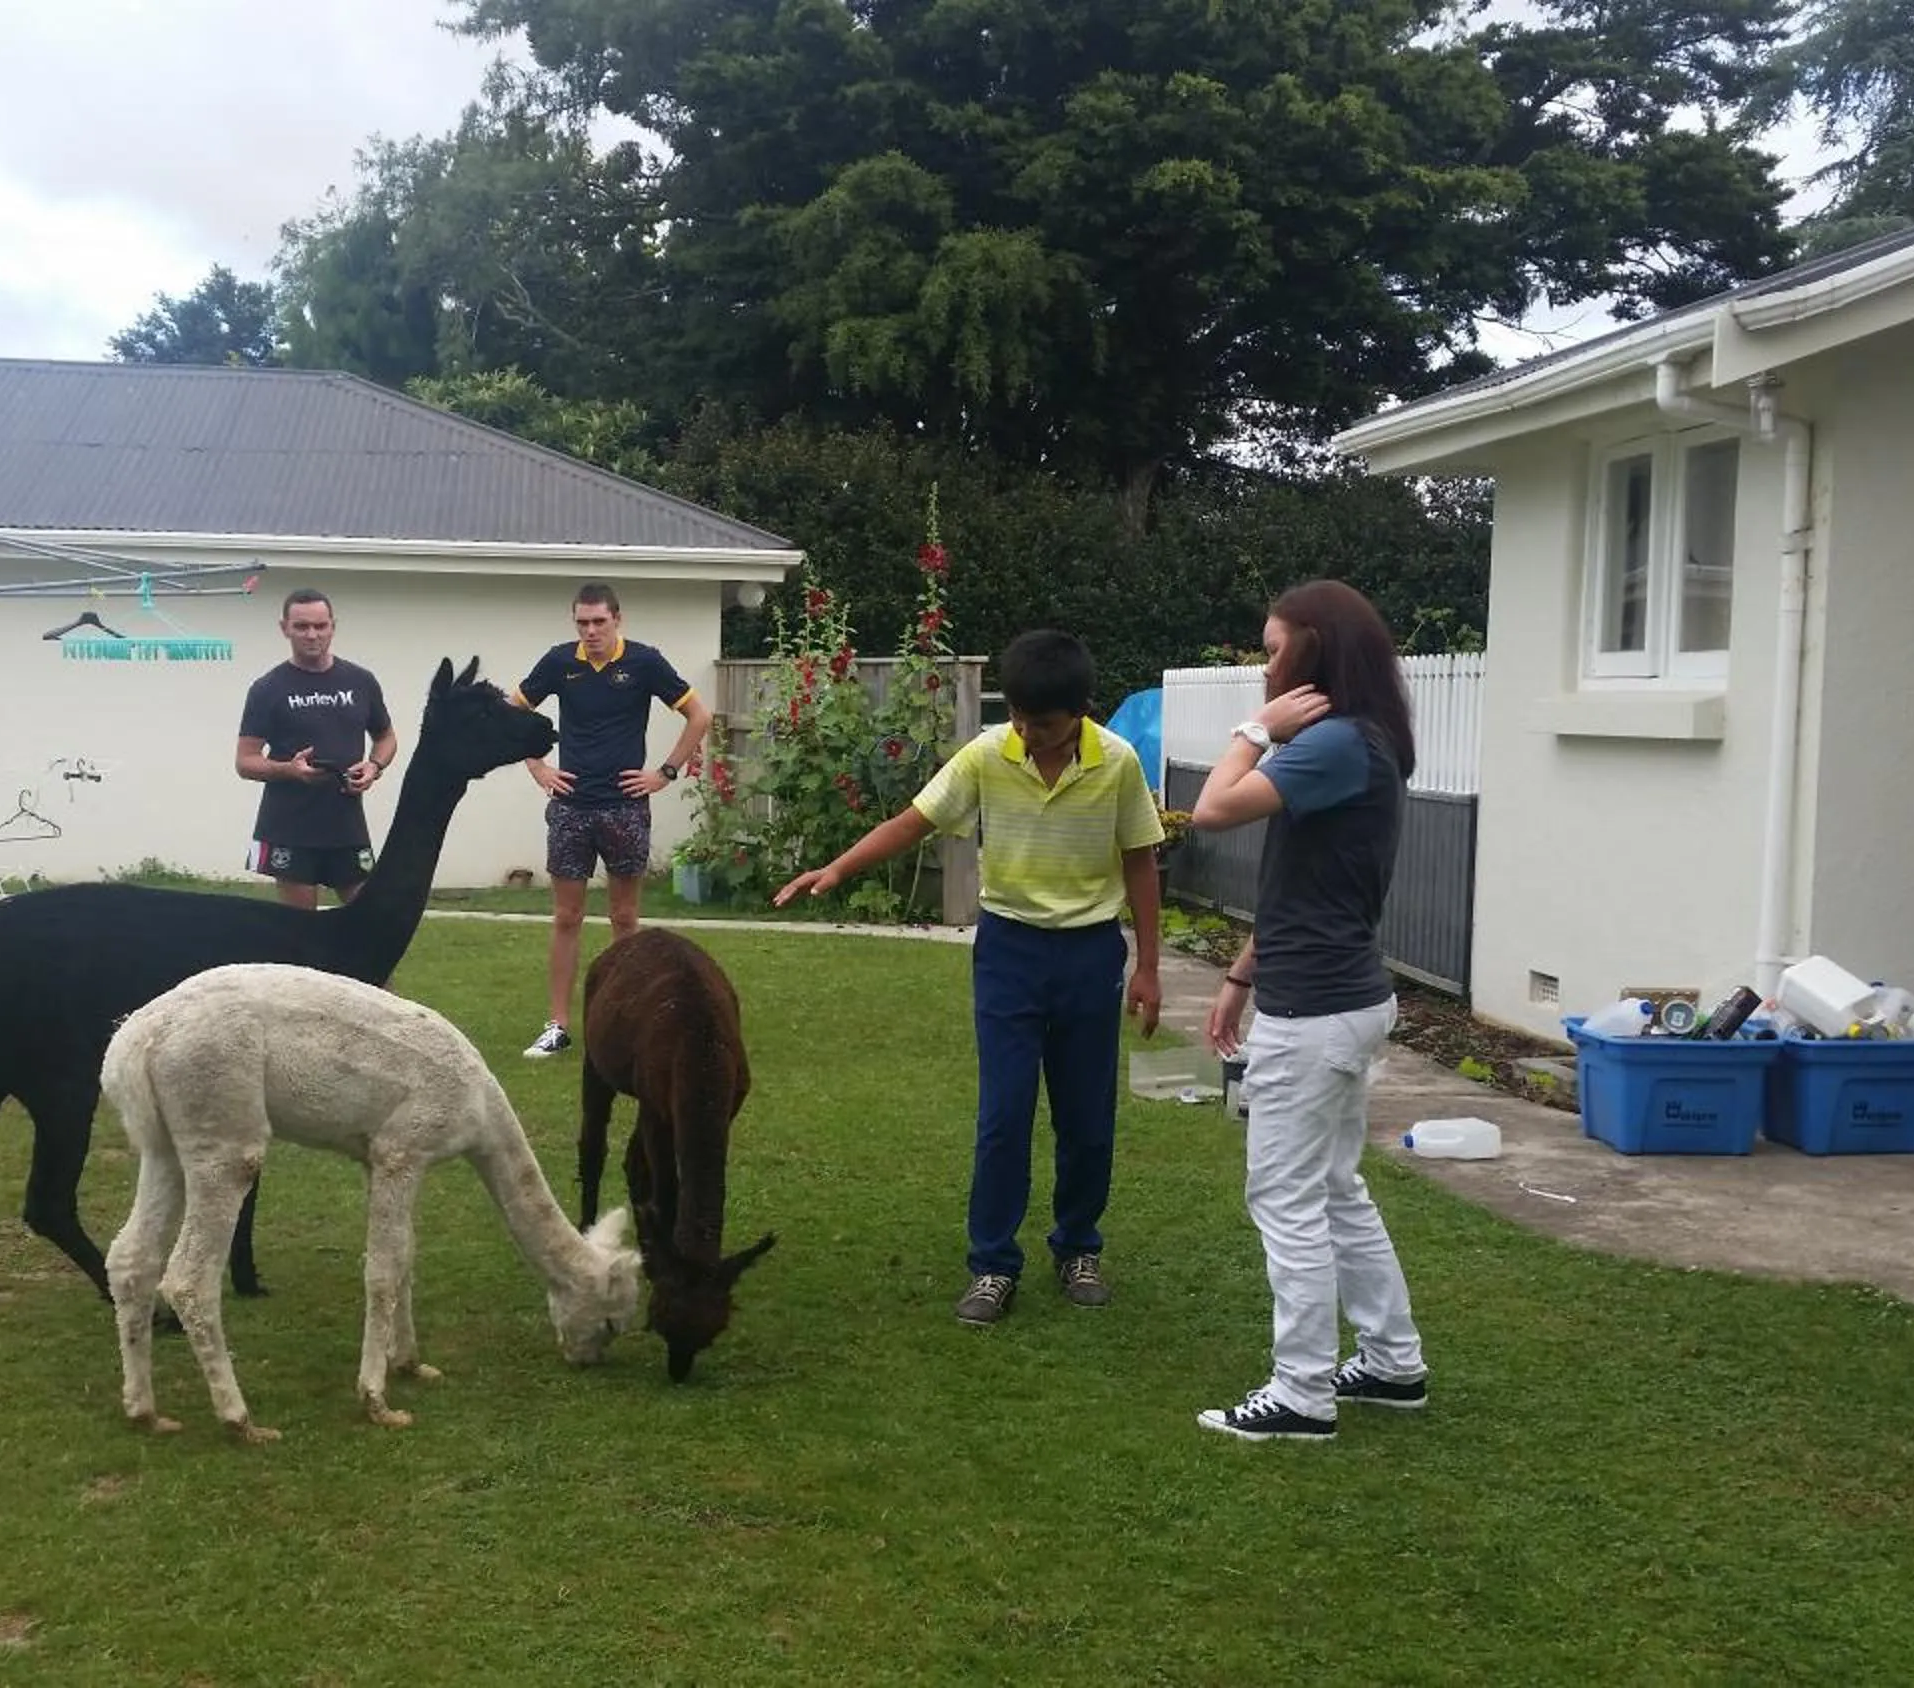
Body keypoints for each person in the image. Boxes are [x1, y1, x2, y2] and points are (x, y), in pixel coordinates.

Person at [775, 628, 1165, 1326]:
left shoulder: (1120, 763)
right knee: (1004, 1116)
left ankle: (1078, 1247)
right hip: (1009, 952)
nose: (1024, 731)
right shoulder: (989, 754)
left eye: (1040, 723)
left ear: (1080, 710)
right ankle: (992, 1266)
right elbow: (913, 820)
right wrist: (839, 867)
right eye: (1016, 715)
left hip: (1089, 955)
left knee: (1087, 1119)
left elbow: (1140, 859)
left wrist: (1151, 969)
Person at [1187, 578, 1426, 1444]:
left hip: (1318, 1009)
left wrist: (1254, 734)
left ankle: (1302, 1394)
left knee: (1284, 1196)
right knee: (1333, 1188)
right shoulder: (1361, 742)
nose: (1263, 665)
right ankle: (1393, 1365)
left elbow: (1211, 811)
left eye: (1274, 647)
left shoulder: (1331, 745)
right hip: (1339, 992)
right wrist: (1242, 974)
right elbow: (1317, 887)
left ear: (1313, 653)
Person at [512, 582, 713, 1058]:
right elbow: (512, 713)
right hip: (570, 809)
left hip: (624, 807)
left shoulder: (644, 662)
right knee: (567, 917)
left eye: (599, 621)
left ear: (617, 619)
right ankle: (558, 1025)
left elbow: (699, 716)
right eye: (582, 623)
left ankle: (627, 1018)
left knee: (624, 917)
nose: (591, 631)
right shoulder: (559, 662)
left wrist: (664, 773)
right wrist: (539, 767)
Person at [234, 588, 396, 911]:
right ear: (285, 629)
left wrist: (374, 767)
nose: (312, 635)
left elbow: (386, 737)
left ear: (333, 626)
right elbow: (245, 761)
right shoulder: (268, 688)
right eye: (302, 627)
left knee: (369, 919)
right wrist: (288, 770)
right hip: (290, 828)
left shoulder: (361, 681)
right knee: (301, 934)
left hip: (345, 824)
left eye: (320, 626)